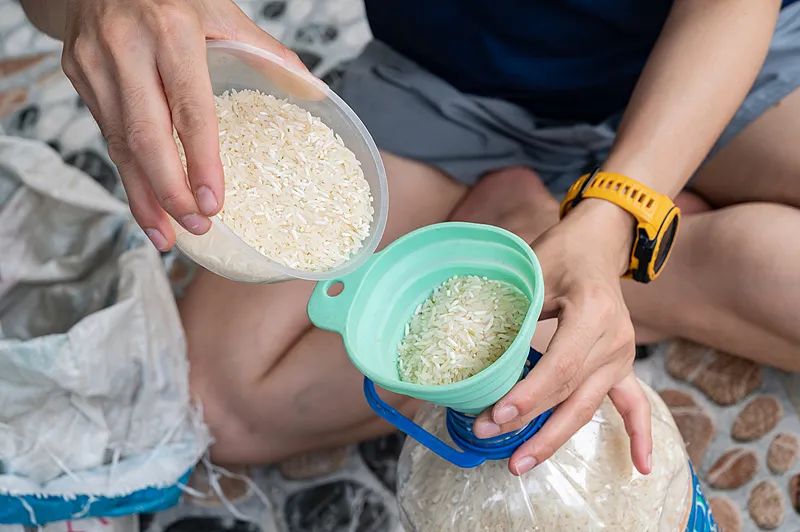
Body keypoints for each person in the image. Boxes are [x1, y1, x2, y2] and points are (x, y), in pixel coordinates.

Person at [20, 0, 800, 478]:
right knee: (220, 406)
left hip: (707, 58)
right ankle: (604, 267)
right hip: (450, 81)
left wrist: (618, 208)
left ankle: (584, 258)